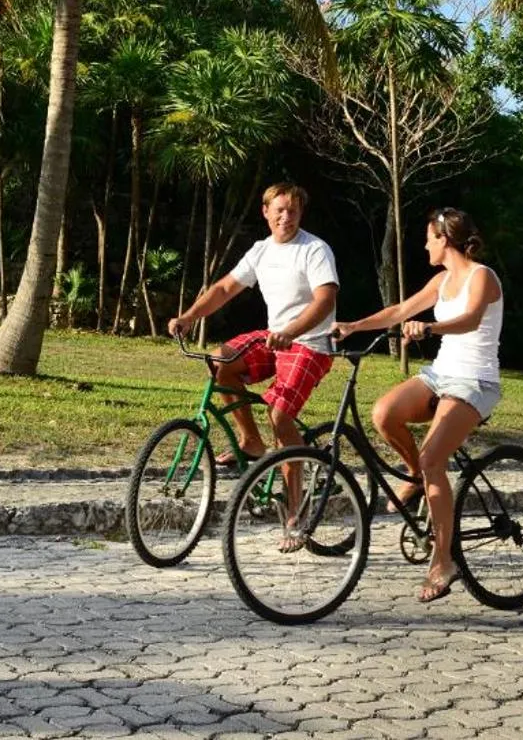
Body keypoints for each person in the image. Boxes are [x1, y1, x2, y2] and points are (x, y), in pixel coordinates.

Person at [333, 207, 502, 603]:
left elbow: (471, 320)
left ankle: (443, 561)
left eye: (429, 237)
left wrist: (430, 327)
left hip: (475, 381)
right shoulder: (441, 280)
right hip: (441, 374)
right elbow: (399, 311)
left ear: (444, 239)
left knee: (433, 461)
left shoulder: (483, 277)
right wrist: (354, 326)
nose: (425, 244)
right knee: (384, 414)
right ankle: (415, 477)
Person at [166, 182, 339, 463]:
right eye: (280, 210)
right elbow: (224, 289)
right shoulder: (261, 250)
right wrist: (189, 317)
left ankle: (294, 503)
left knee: (279, 418)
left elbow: (325, 300)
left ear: (301, 214)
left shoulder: (315, 249)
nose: (286, 217)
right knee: (220, 362)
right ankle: (251, 442)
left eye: (293, 211)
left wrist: (291, 331)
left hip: (311, 344)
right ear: (265, 211)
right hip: (274, 338)